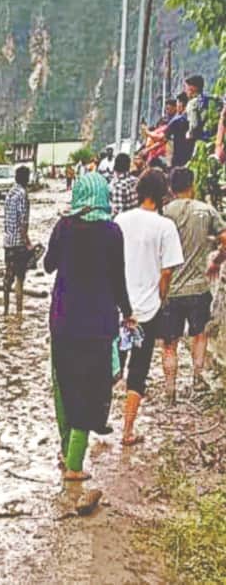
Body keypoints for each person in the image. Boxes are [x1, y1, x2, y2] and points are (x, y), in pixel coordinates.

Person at [45, 172, 133, 481]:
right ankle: (74, 463)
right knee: (89, 390)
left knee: (65, 386)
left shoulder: (64, 227)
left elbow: (47, 265)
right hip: (98, 325)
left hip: (63, 322)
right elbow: (118, 278)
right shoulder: (112, 232)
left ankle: (66, 449)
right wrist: (129, 313)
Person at [114, 169, 184, 445]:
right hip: (149, 309)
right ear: (162, 194)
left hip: (120, 308)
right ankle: (127, 431)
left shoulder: (120, 220)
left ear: (139, 191)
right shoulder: (164, 227)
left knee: (113, 365)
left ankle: (94, 420)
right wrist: (161, 296)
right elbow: (167, 272)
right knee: (139, 372)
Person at [158, 168, 226, 401]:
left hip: (171, 289)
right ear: (192, 185)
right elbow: (225, 238)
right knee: (199, 335)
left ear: (171, 188)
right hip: (199, 287)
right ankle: (197, 379)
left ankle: (170, 391)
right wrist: (217, 261)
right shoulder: (206, 211)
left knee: (170, 343)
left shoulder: (164, 213)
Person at [3, 165, 32, 316]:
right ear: (25, 179)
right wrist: (28, 242)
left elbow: (7, 221)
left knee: (8, 278)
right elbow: (23, 221)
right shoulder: (22, 194)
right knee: (20, 279)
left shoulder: (9, 194)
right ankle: (19, 314)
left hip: (7, 242)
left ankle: (6, 312)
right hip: (18, 243)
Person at [108, 153, 137, 217]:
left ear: (115, 165)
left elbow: (118, 213)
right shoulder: (136, 180)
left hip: (123, 223)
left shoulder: (118, 186)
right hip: (135, 219)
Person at [167, 92, 192, 168]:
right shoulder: (192, 118)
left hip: (178, 156)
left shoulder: (176, 120)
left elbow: (163, 137)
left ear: (181, 104)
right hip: (190, 155)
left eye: (177, 103)